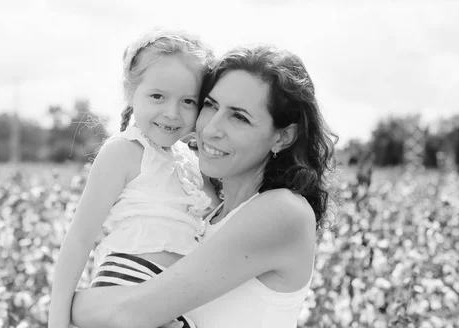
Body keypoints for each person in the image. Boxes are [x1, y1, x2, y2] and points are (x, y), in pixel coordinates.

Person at [70, 44, 337, 328]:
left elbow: (128, 312)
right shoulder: (202, 217)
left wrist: (64, 303)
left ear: (283, 137)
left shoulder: (282, 211)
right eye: (210, 105)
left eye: (239, 117)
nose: (210, 129)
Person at [48, 28, 218, 328]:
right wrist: (57, 322)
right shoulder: (124, 151)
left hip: (176, 301)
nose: (171, 113)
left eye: (188, 102)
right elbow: (78, 240)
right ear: (130, 93)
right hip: (127, 283)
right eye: (157, 96)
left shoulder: (192, 160)